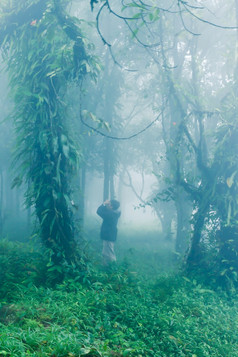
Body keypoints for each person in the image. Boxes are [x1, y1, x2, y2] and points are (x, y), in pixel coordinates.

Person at [96, 199, 121, 266]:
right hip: (109, 235)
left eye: (109, 204)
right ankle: (105, 266)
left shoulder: (111, 214)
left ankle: (113, 267)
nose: (107, 205)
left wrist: (104, 204)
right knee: (105, 252)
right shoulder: (114, 213)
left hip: (109, 236)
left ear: (111, 207)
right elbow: (103, 211)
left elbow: (99, 211)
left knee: (110, 253)